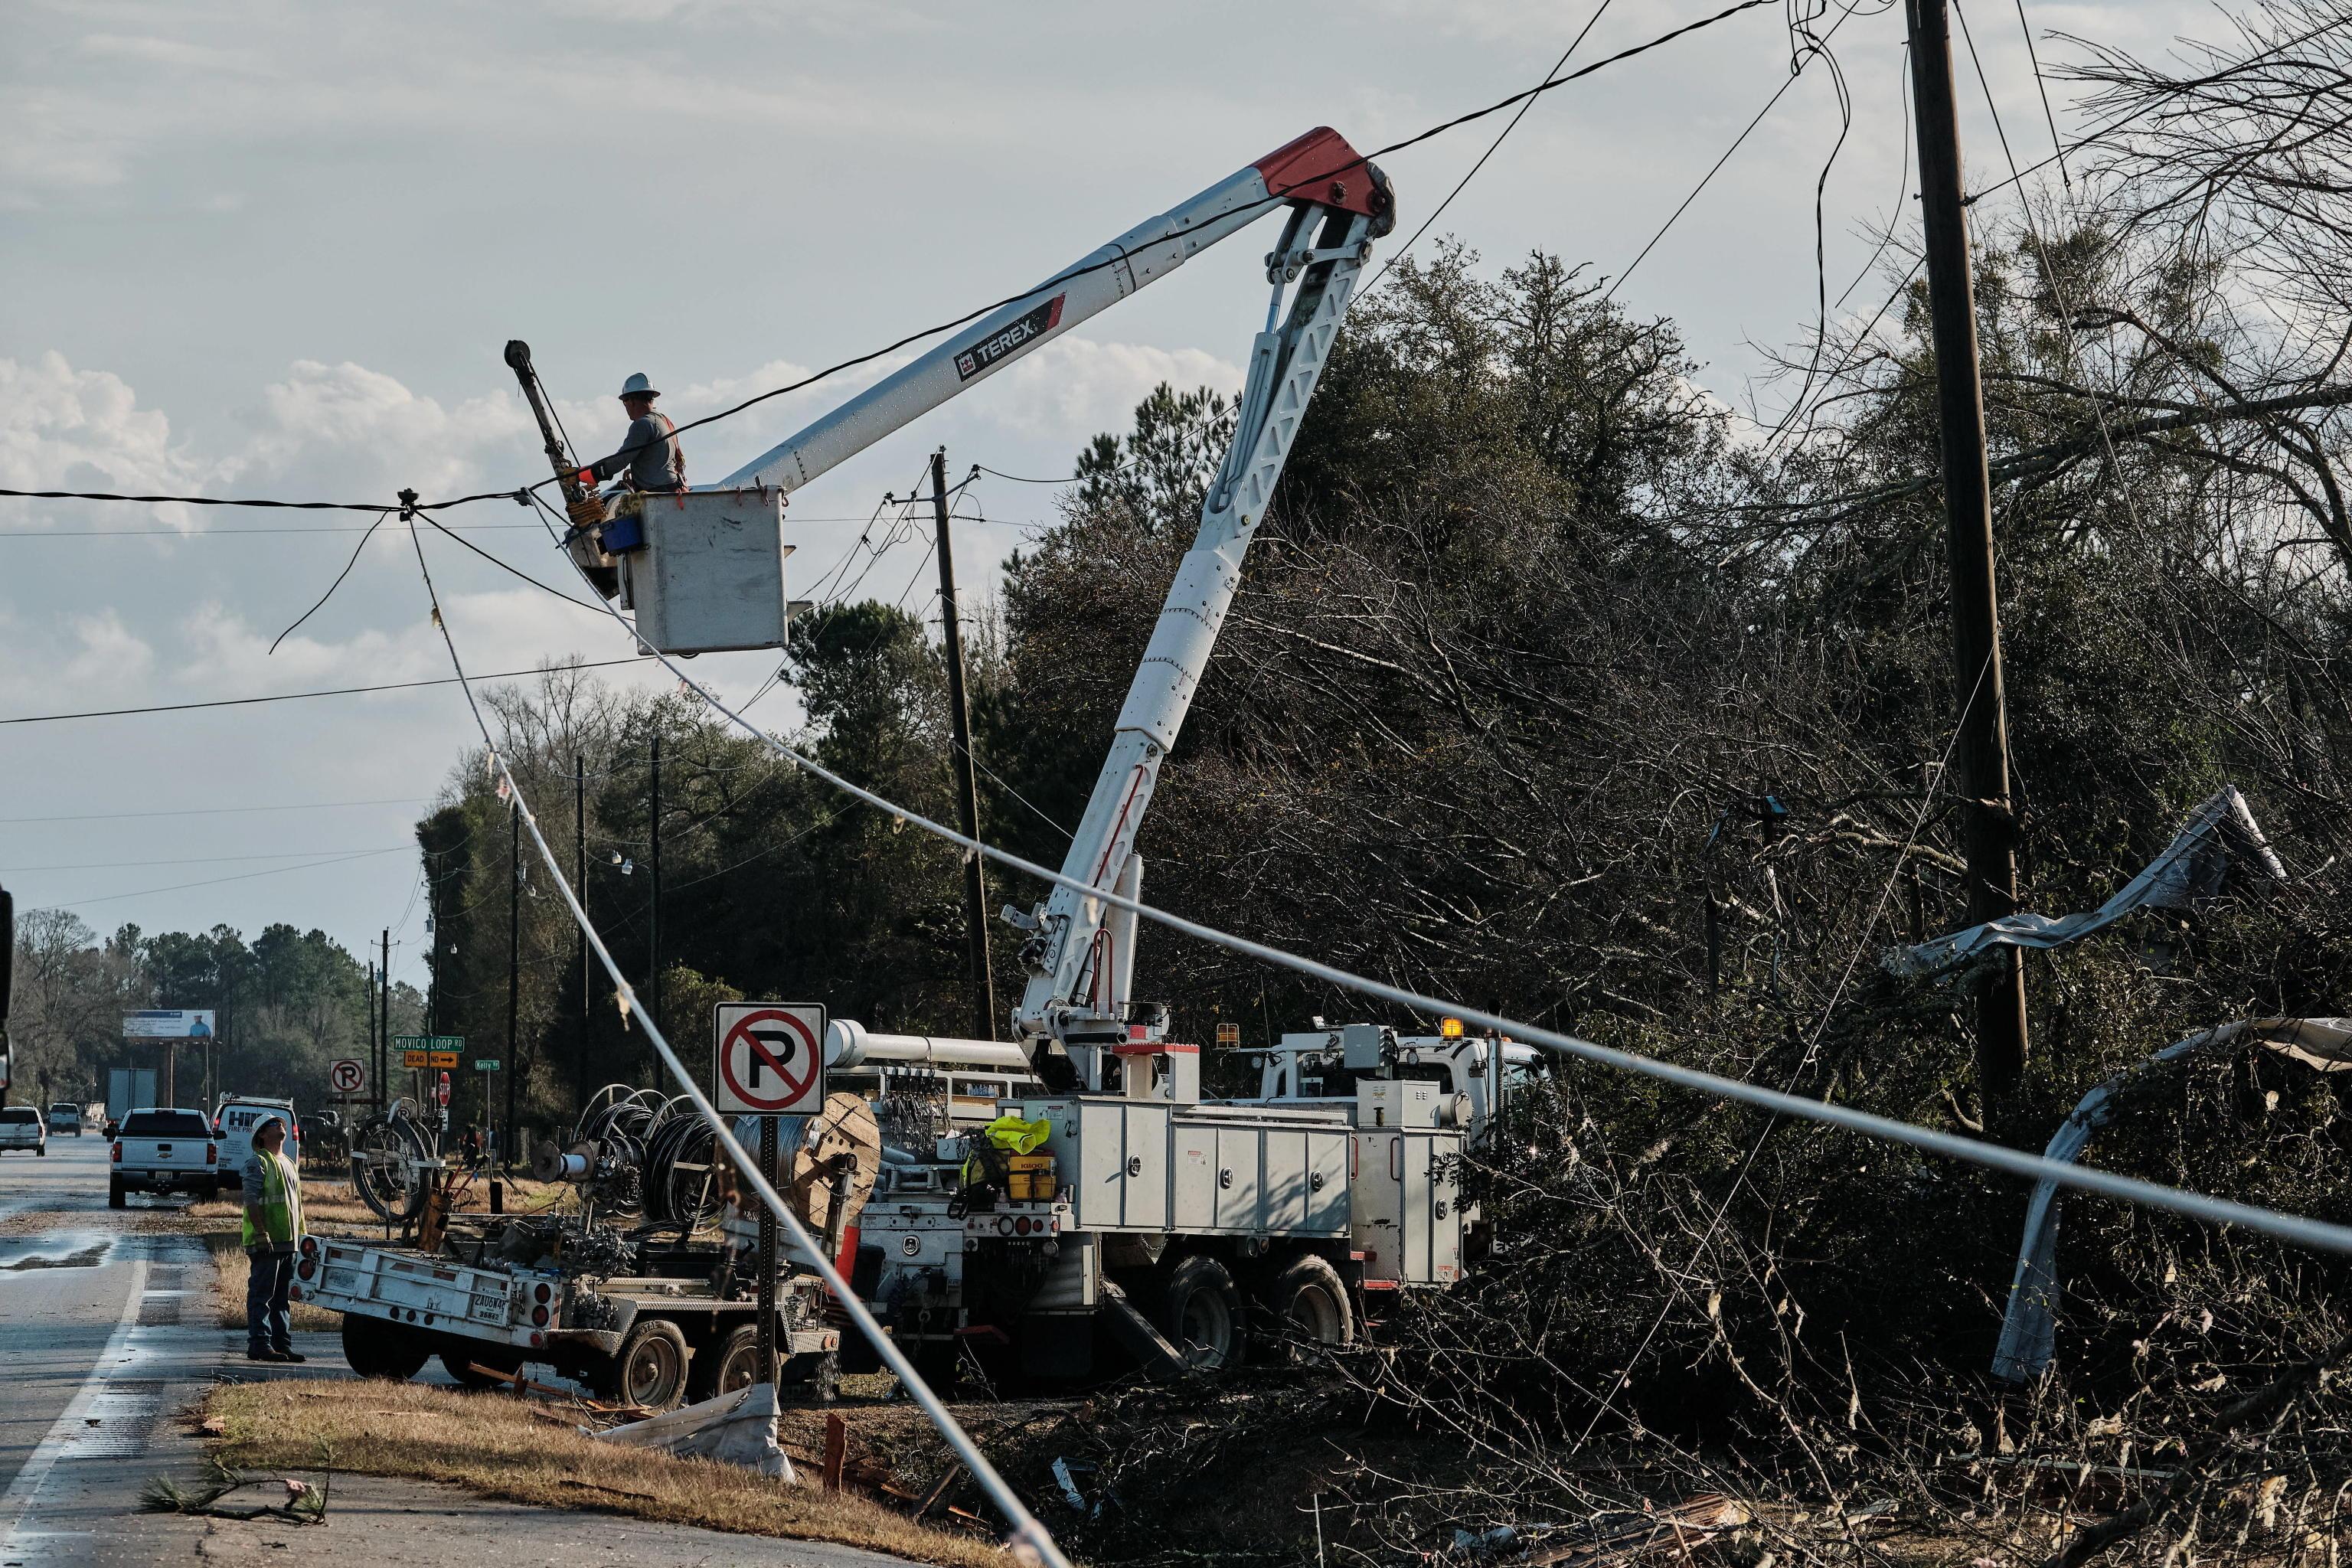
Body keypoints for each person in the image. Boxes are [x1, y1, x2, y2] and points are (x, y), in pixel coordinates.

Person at [241, 1116, 306, 1364]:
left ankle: (282, 1345)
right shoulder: (258, 1162)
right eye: (273, 1124)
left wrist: (302, 1239)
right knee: (262, 1295)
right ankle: (259, 1344)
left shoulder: (289, 1163)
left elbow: (296, 1206)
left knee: (281, 1298)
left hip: (288, 1242)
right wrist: (260, 1233)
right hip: (265, 1242)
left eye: (281, 1123)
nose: (281, 1126)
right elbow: (251, 1200)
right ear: (261, 1135)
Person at [588, 373, 684, 496]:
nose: (625, 407)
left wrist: (590, 473)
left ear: (632, 401)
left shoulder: (643, 424)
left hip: (657, 497)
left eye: (624, 402)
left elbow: (621, 460)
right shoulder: (664, 421)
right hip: (672, 492)